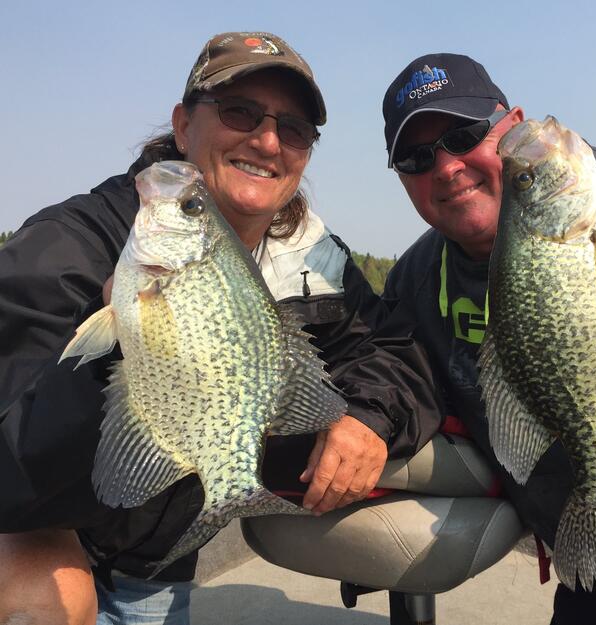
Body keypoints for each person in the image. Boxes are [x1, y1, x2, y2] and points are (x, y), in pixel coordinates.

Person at [0, 33, 440, 624]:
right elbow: (11, 468)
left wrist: (368, 418)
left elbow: (391, 349)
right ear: (183, 126)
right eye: (239, 112)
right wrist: (128, 341)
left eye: (294, 130)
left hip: (156, 563)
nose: (266, 141)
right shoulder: (68, 245)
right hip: (35, 525)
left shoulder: (313, 261)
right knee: (39, 601)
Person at [380, 53, 596, 625]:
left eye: (464, 134)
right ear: (403, 179)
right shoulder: (416, 280)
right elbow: (389, 371)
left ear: (511, 125)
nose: (445, 167)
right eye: (417, 156)